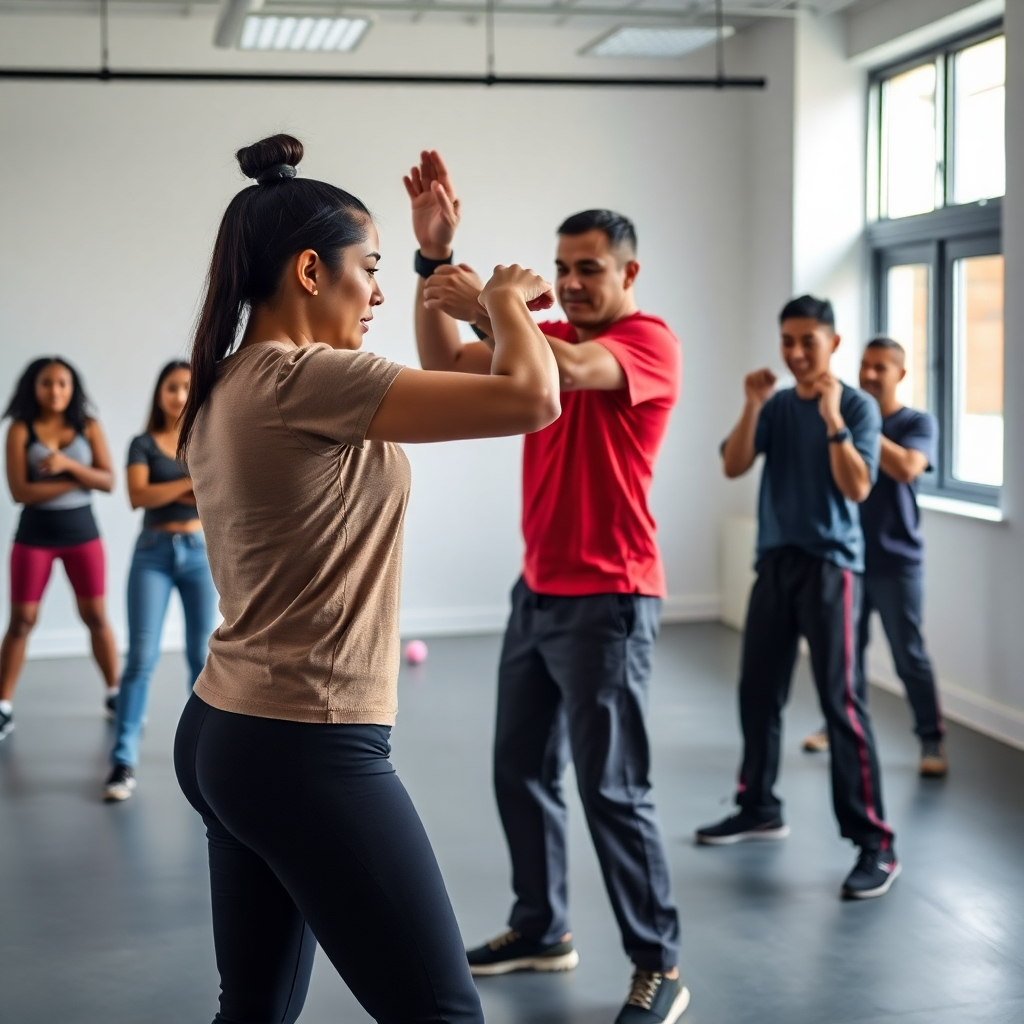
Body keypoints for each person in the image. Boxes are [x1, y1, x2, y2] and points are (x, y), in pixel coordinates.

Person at [172, 133, 560, 1024]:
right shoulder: (308, 379)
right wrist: (504, 299)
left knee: (256, 1011)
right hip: (306, 744)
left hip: (227, 728)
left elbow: (436, 378)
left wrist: (436, 261)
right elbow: (531, 399)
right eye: (371, 268)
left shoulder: (233, 378)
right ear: (311, 271)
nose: (381, 291)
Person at [404, 151, 687, 1024]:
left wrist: (500, 302)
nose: (568, 284)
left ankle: (659, 963)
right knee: (519, 771)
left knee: (613, 789)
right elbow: (448, 363)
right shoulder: (547, 334)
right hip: (539, 592)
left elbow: (561, 374)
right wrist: (430, 263)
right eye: (560, 270)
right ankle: (542, 929)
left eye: (587, 269)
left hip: (611, 598)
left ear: (628, 272)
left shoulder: (645, 343)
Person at [697, 296, 900, 901]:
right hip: (776, 564)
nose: (793, 352)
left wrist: (835, 417)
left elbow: (858, 487)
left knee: (842, 705)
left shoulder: (859, 407)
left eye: (806, 341)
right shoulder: (779, 404)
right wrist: (753, 403)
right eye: (786, 340)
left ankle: (876, 844)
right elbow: (734, 465)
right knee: (757, 693)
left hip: (832, 568)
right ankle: (757, 805)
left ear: (832, 343)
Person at [801, 337, 945, 776]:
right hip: (849, 558)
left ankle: (931, 741)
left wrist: (854, 426)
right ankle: (836, 724)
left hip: (898, 562)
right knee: (844, 653)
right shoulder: (843, 422)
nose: (868, 375)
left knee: (909, 656)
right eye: (864, 366)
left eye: (880, 368)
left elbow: (905, 468)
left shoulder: (917, 423)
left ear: (900, 373)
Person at [104, 361, 217, 802]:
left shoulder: (206, 437)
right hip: (152, 554)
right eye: (172, 387)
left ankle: (204, 764)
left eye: (188, 387)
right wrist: (187, 483)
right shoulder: (141, 443)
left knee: (201, 661)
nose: (180, 395)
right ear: (159, 394)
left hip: (199, 555)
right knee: (141, 659)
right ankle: (122, 762)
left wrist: (168, 486)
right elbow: (138, 496)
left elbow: (216, 493)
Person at [1, 357, 118, 740]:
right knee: (21, 621)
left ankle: (116, 694)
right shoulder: (20, 430)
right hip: (33, 537)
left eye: (63, 383)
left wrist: (67, 465)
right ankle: (3, 706)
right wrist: (78, 479)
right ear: (33, 387)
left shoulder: (89, 426)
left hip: (83, 536)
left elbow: (107, 480)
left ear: (73, 388)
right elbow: (21, 492)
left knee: (96, 617)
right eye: (47, 383)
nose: (55, 390)